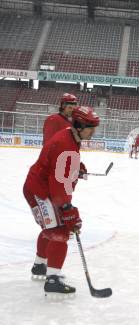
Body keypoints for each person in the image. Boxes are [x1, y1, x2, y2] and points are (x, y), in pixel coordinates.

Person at [23, 106, 99, 297]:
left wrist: (76, 168)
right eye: (91, 127)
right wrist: (68, 209)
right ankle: (53, 280)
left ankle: (40, 266)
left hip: (41, 187)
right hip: (40, 191)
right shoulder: (66, 144)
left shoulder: (70, 136)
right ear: (80, 126)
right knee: (60, 231)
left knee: (50, 228)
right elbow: (57, 184)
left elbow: (60, 166)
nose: (94, 131)